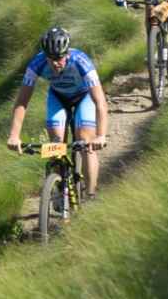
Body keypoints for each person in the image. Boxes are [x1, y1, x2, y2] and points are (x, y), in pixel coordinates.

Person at [6, 27, 109, 198]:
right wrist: (14, 135)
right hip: (58, 97)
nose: (55, 63)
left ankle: (91, 195)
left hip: (84, 97)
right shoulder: (36, 64)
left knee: (86, 142)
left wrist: (101, 136)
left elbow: (100, 102)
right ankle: (58, 190)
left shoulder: (81, 61)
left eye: (59, 58)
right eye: (50, 58)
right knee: (56, 143)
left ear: (67, 53)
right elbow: (22, 102)